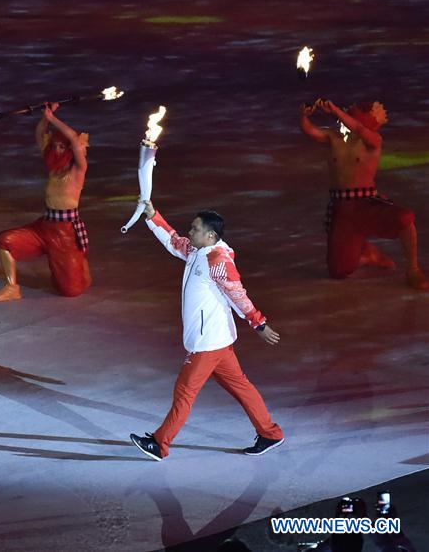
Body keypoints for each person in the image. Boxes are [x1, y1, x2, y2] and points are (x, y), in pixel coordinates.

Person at [129, 202, 284, 461]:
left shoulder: (218, 260)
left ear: (211, 235)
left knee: (184, 392)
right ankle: (270, 433)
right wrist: (153, 216)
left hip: (208, 343)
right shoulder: (196, 250)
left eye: (195, 229)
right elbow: (173, 241)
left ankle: (159, 443)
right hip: (217, 341)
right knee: (242, 387)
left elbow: (238, 295)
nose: (190, 232)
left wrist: (259, 324)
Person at [299, 99, 428, 290]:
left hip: (366, 205)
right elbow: (309, 130)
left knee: (405, 218)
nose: (350, 108)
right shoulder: (335, 138)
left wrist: (335, 110)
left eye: (357, 109)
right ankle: (366, 252)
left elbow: (359, 129)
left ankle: (413, 270)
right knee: (338, 271)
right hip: (342, 210)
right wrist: (303, 115)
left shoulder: (373, 140)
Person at [0, 103, 92, 301]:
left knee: (71, 291)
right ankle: (12, 287)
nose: (58, 150)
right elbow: (39, 134)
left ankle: (80, 264)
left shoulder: (78, 170)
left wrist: (53, 119)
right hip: (45, 227)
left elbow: (73, 138)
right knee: (6, 240)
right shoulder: (54, 170)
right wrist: (46, 116)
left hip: (65, 234)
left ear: (70, 150)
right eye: (56, 146)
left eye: (62, 146)